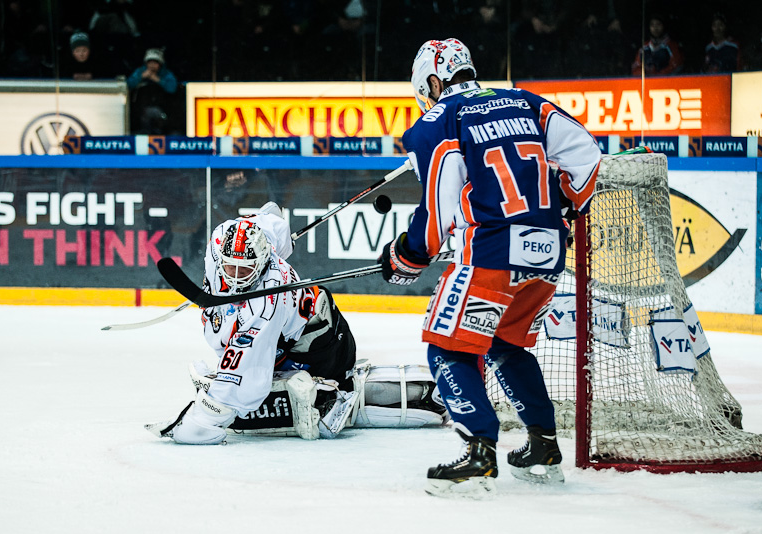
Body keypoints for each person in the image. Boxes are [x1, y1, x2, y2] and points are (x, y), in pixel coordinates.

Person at [379, 39, 601, 497]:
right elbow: (586, 155)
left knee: (447, 349)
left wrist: (409, 253)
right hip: (547, 252)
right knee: (505, 345)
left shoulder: (437, 120)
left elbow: (438, 216)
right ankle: (542, 446)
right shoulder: (527, 102)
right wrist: (563, 205)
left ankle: (479, 450)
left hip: (493, 255)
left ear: (435, 83)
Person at [147, 203, 446, 445]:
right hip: (312, 323)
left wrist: (204, 418)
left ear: (263, 263)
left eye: (245, 269)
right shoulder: (228, 236)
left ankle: (332, 392)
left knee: (257, 395)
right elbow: (272, 217)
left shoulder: (266, 303)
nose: (236, 276)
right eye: (231, 267)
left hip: (322, 345)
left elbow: (246, 379)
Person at [126, 48, 177, 133]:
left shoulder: (166, 74)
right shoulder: (140, 72)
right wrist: (141, 77)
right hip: (141, 109)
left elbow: (172, 88)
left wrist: (158, 80)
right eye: (150, 62)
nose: (152, 65)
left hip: (162, 108)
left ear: (160, 64)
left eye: (155, 62)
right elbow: (129, 84)